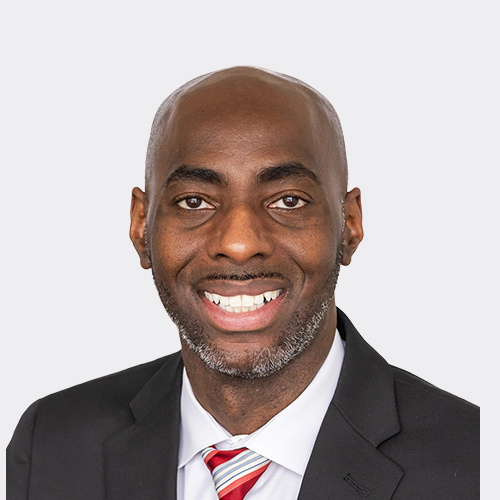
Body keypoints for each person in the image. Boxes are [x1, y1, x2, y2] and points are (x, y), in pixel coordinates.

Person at [7, 67, 479, 500]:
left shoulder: (474, 460)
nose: (238, 244)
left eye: (288, 200)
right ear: (140, 228)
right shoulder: (51, 445)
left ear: (349, 225)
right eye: (194, 201)